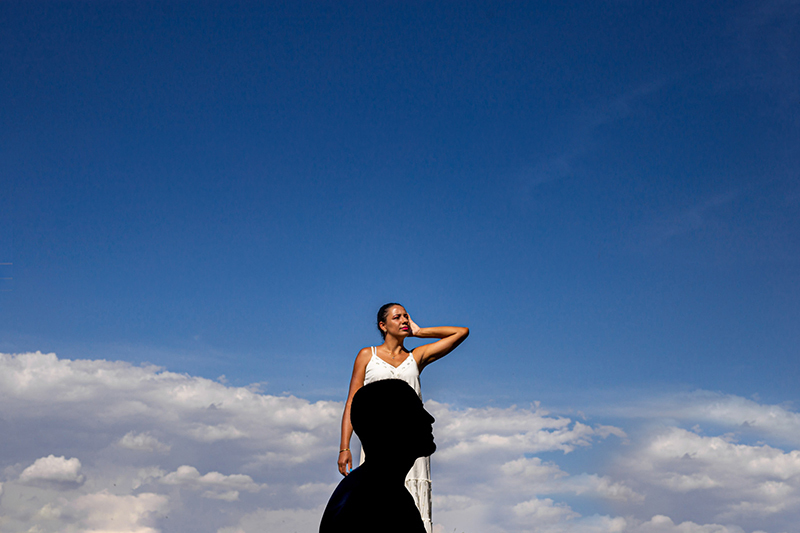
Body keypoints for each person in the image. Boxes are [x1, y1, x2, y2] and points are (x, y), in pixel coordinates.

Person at [337, 303, 469, 532]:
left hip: (410, 440)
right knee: (377, 499)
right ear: (383, 325)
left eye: (406, 316)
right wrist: (344, 447)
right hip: (379, 441)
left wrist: (419, 332)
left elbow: (461, 332)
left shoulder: (416, 356)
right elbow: (352, 401)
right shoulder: (368, 355)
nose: (404, 320)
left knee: (413, 501)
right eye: (397, 317)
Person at [321, 379, 437, 533]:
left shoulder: (368, 489)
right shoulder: (380, 500)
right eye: (417, 410)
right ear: (391, 424)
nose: (430, 418)